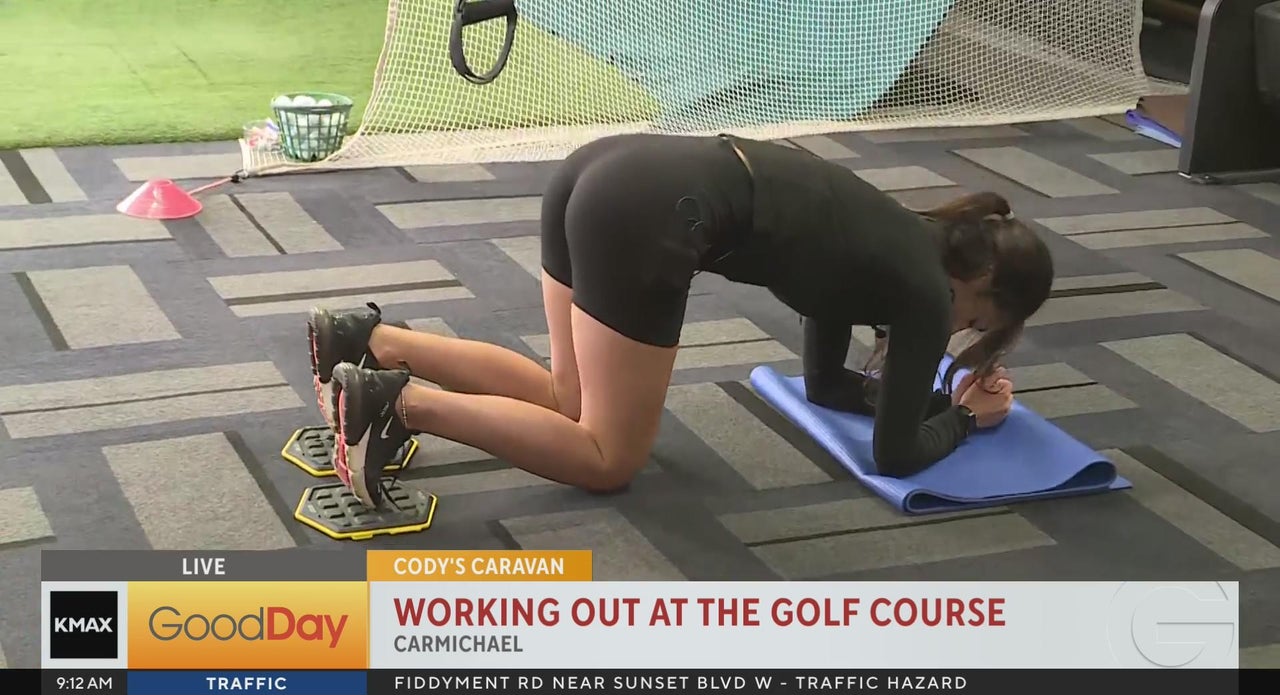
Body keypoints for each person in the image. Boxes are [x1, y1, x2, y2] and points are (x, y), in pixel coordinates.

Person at [307, 133, 1054, 508]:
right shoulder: (923, 292)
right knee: (608, 458)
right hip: (651, 214)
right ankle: (399, 404)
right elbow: (895, 458)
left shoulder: (895, 238)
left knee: (571, 398)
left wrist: (926, 403)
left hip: (604, 171)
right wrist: (964, 420)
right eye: (977, 320)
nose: (958, 331)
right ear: (981, 282)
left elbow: (825, 386)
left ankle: (371, 341)